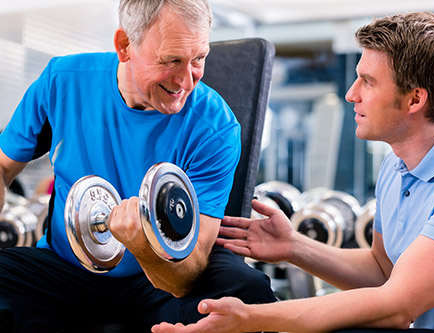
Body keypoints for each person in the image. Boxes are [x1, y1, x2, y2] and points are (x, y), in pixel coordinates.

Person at [151, 12, 434, 333]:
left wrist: (251, 317)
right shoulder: (397, 163)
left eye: (368, 82)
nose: (351, 95)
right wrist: (293, 246)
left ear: (414, 100)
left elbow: (397, 306)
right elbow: (382, 271)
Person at [0, 0, 276, 331]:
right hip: (66, 268)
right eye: (171, 60)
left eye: (199, 59)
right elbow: (3, 169)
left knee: (249, 291)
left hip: (160, 281)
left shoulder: (214, 127)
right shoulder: (62, 81)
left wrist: (144, 248)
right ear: (125, 46)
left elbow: (190, 269)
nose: (186, 81)